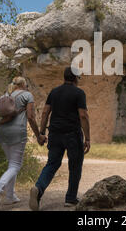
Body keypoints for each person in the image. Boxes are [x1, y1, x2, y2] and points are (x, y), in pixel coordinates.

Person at [29, 67, 90, 211]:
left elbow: (45, 112)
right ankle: (70, 198)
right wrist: (87, 138)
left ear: (64, 77)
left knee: (52, 164)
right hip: (72, 134)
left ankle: (38, 188)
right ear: (75, 78)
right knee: (75, 165)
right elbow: (83, 115)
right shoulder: (79, 93)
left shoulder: (54, 92)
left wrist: (41, 133)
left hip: (55, 133)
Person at [0, 76, 46, 211]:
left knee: (11, 164)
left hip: (3, 132)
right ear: (24, 85)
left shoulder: (4, 96)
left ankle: (10, 196)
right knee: (15, 165)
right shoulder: (27, 95)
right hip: (17, 133)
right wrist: (38, 136)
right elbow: (30, 117)